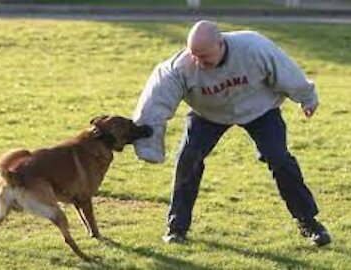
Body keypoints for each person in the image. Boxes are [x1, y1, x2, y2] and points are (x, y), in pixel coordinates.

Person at [132, 20, 331, 247]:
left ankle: (308, 222)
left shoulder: (253, 47)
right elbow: (154, 104)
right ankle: (176, 227)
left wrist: (307, 96)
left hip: (259, 108)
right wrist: (148, 145)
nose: (198, 61)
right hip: (208, 113)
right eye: (194, 55)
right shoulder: (180, 68)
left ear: (221, 43)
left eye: (205, 56)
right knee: (188, 159)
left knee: (278, 157)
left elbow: (285, 70)